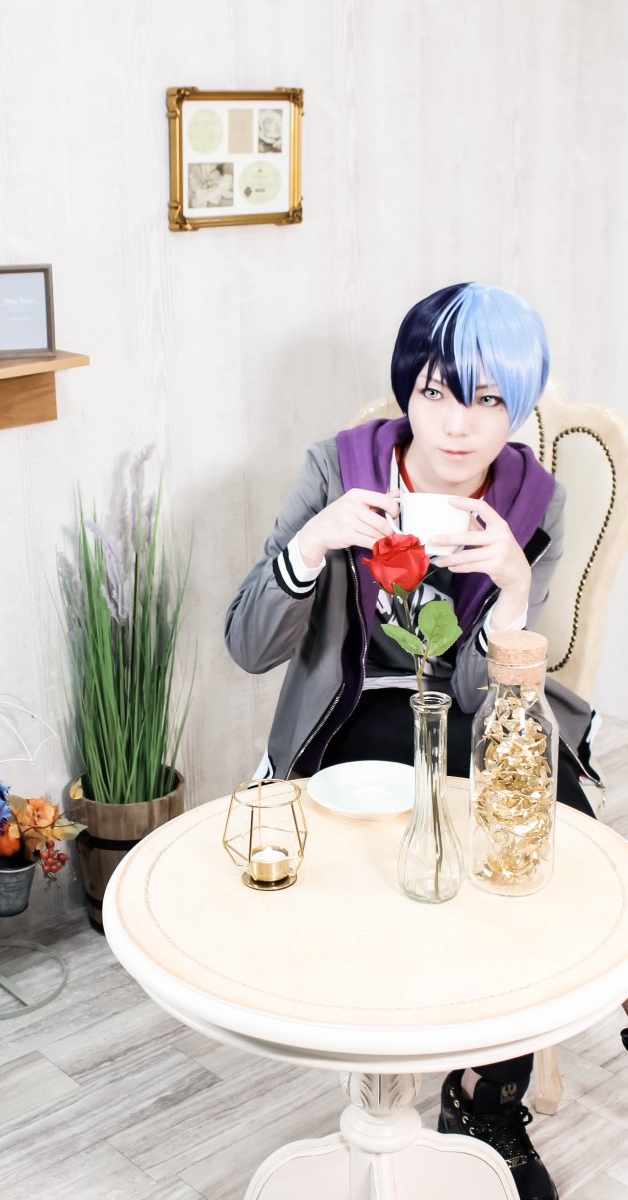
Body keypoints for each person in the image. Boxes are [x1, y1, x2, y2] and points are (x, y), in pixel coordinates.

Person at [225, 282, 603, 1200]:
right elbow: (247, 646)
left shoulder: (534, 504)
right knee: (414, 848)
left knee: (544, 821)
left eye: (488, 399)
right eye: (435, 392)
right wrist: (313, 545)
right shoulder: (336, 470)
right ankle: (387, 1081)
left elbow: (479, 692)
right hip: (349, 713)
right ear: (407, 391)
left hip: (471, 706)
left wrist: (512, 593)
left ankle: (483, 1098)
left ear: (516, 405)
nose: (458, 427)